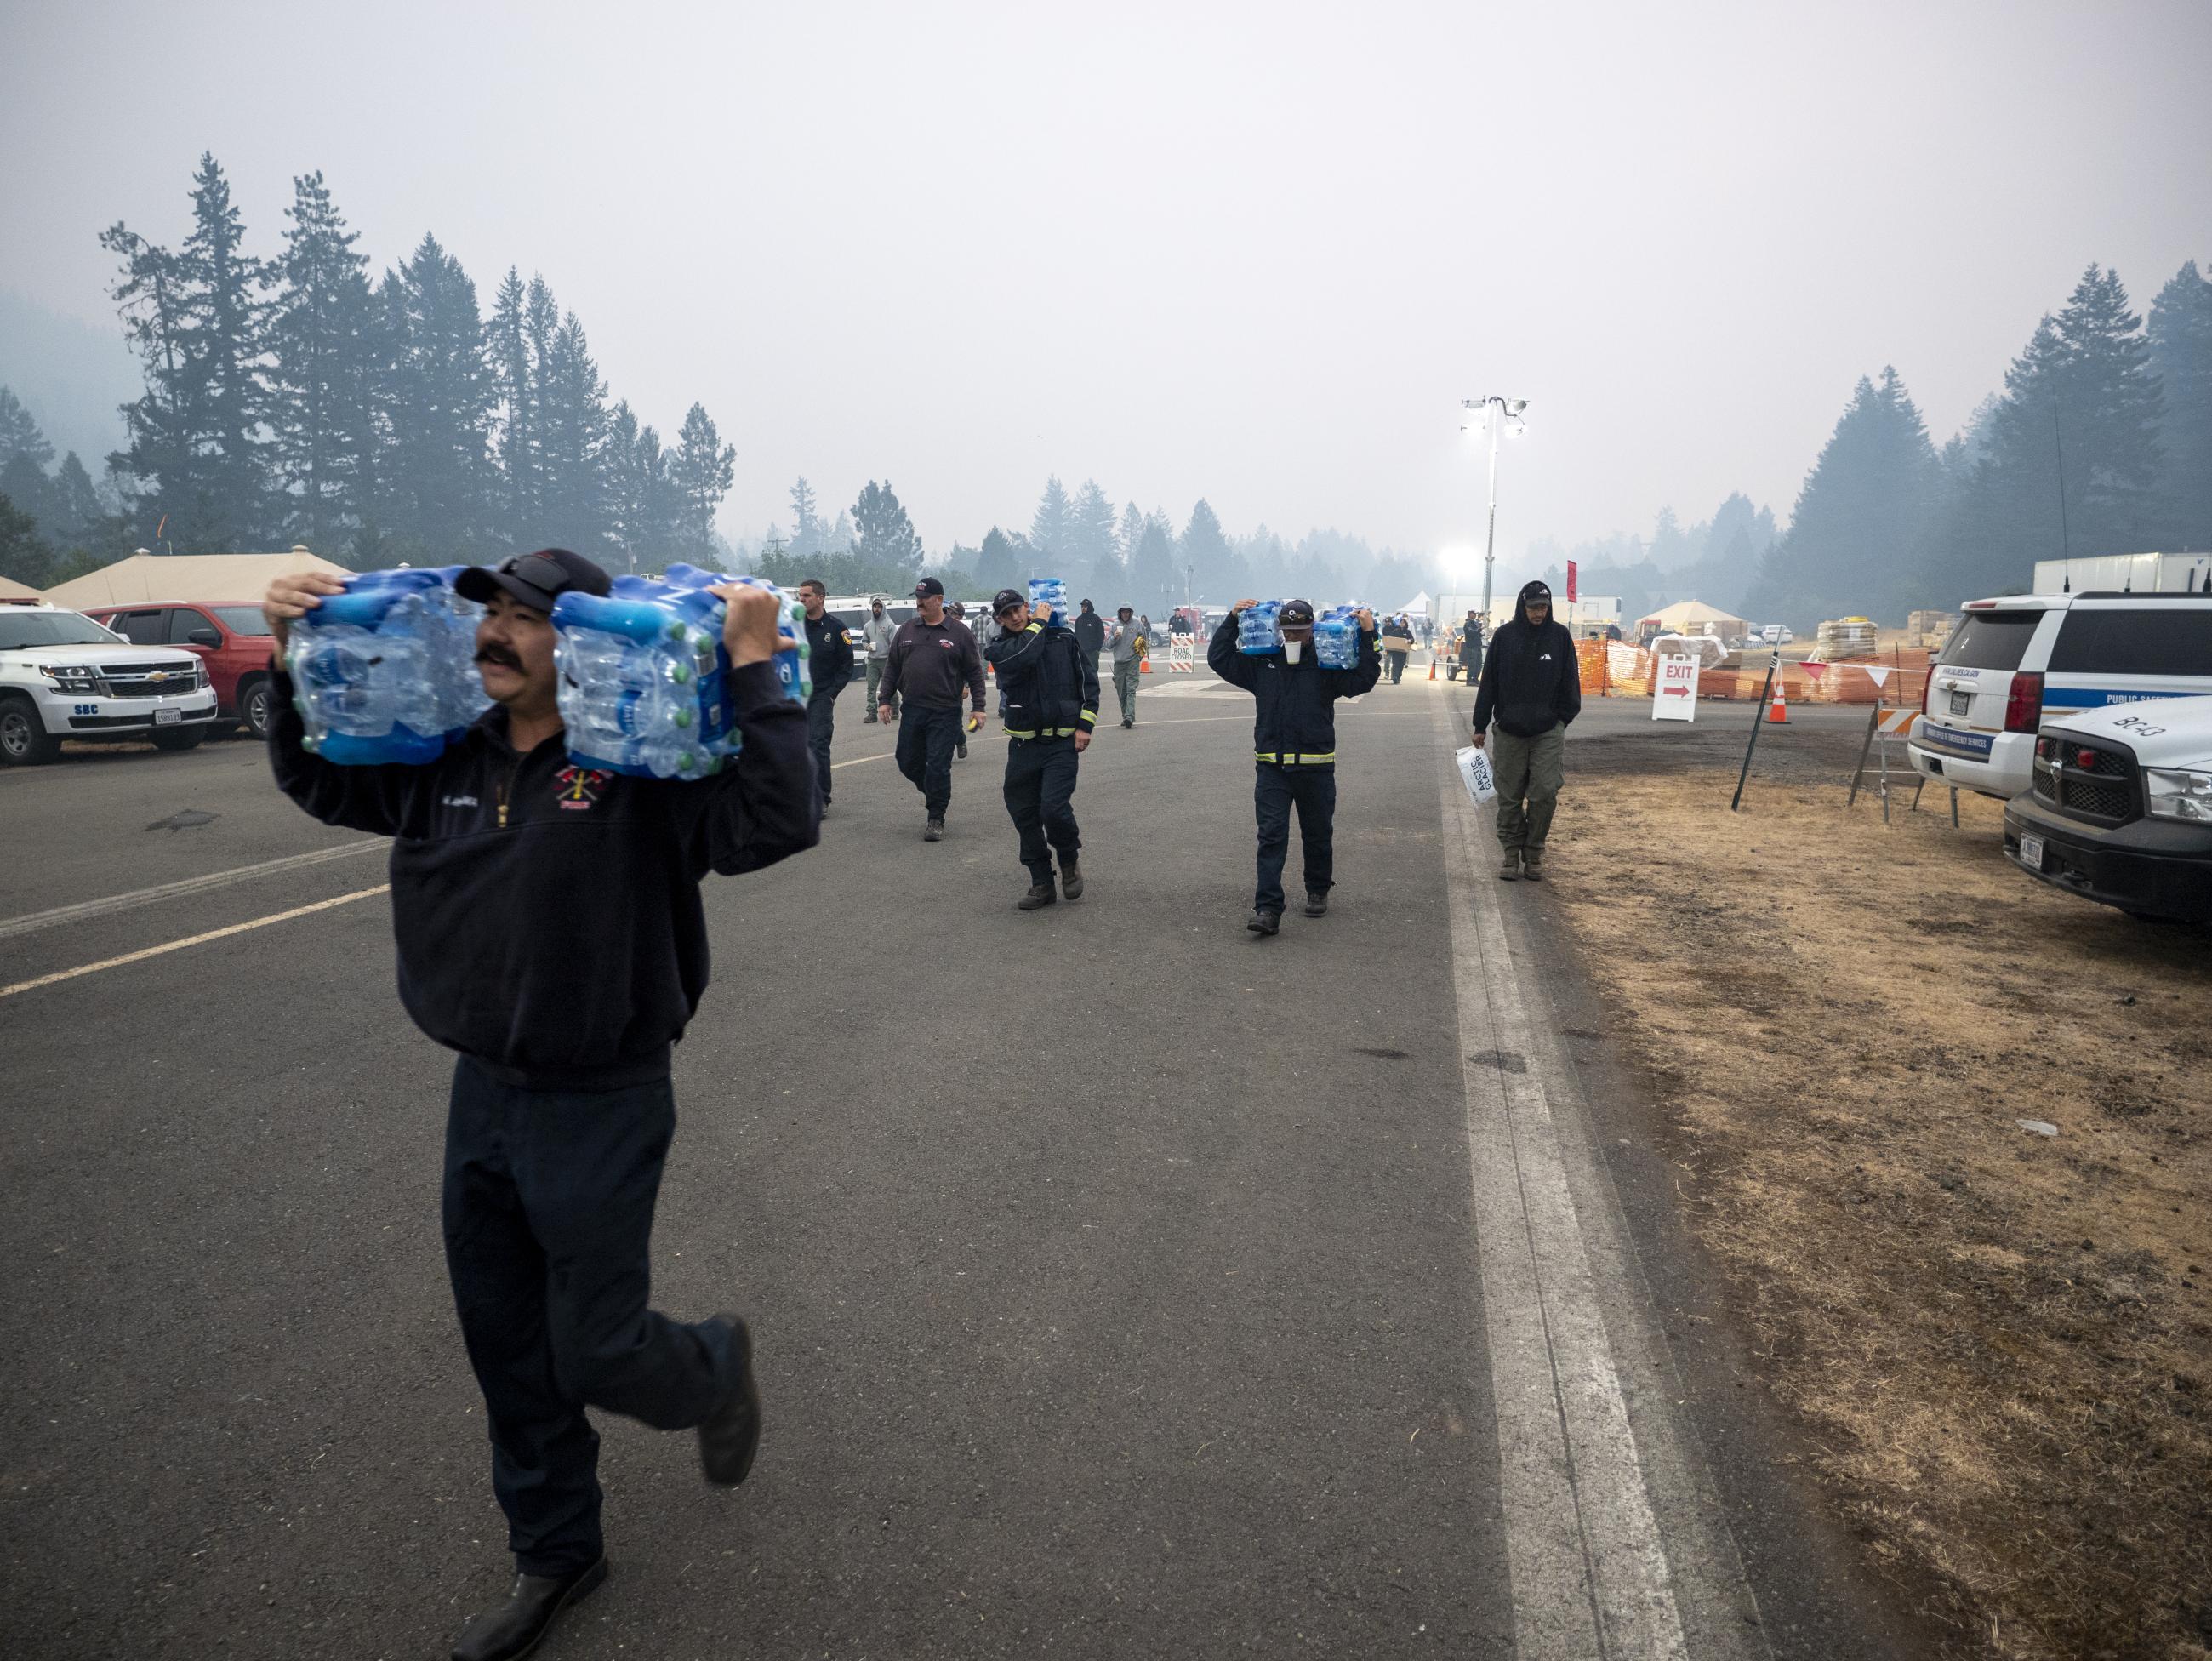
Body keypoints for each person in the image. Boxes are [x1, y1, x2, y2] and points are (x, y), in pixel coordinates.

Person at [259, 548, 817, 1661]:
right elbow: (323, 778)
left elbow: (773, 823)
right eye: (491, 616)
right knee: (506, 1342)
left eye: (527, 618)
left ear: (588, 644)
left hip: (602, 1094)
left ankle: (712, 1369)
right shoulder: (442, 754)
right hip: (484, 1092)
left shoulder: (638, 760)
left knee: (597, 1347)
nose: (497, 634)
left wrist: (757, 673)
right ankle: (558, 1549)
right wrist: (286, 661)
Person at [1209, 597, 1378, 935]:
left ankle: (1318, 888)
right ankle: (1268, 908)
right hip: (1273, 767)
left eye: (1300, 631)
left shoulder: (1327, 663)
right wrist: (1232, 619)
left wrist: (1368, 635)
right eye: (1288, 631)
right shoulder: (1263, 662)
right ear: (1278, 629)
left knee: (1317, 833)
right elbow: (1220, 658)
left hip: (1316, 767)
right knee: (1271, 836)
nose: (1293, 638)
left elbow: (1363, 679)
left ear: (1312, 628)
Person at [983, 586, 1099, 909]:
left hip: (1061, 742)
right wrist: (1039, 624)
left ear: (1028, 607)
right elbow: (1025, 654)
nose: (1015, 617)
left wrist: (1085, 724)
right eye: (1007, 614)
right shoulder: (1000, 648)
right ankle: (1041, 882)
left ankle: (1068, 860)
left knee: (1053, 808)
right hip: (1023, 745)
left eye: (1018, 609)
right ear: (1000, 620)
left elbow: (1088, 682)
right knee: (1023, 812)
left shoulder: (1063, 639)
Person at [1471, 579, 1582, 882]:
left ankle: (1534, 852)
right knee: (1509, 796)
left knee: (1545, 793)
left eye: (1544, 607)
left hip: (1547, 731)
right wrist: (1480, 725)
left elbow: (1571, 682)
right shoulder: (1505, 637)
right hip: (1509, 731)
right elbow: (1489, 684)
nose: (1539, 613)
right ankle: (1510, 853)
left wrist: (1561, 721)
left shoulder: (1559, 637)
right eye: (1534, 607)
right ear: (1523, 606)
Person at [876, 576, 986, 840]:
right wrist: (884, 700)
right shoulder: (907, 630)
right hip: (913, 709)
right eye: (917, 598)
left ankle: (936, 816)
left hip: (945, 711)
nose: (919, 603)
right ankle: (936, 792)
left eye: (924, 599)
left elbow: (975, 671)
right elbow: (892, 667)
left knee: (938, 765)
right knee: (906, 761)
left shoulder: (959, 633)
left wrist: (978, 707)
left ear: (939, 600)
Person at [798, 579, 855, 811]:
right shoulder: (793, 626)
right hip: (795, 696)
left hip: (821, 695)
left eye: (806, 596)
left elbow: (846, 666)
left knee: (818, 744)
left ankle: (821, 798)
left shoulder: (836, 628)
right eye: (800, 596)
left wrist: (832, 693)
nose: (802, 600)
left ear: (820, 598)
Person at [1106, 604, 1145, 728]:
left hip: (1132, 661)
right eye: (1123, 612)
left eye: (1128, 612)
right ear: (1120, 613)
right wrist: (1114, 638)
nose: (1125, 614)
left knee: (1131, 690)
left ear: (1131, 613)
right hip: (1119, 663)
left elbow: (1144, 641)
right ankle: (1125, 716)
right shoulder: (1114, 625)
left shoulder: (1138, 624)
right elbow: (1107, 645)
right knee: (1121, 691)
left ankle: (1129, 716)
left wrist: (1139, 657)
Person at [861, 596, 898, 721]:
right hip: (872, 660)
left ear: (883, 609)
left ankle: (895, 709)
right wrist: (866, 646)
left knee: (890, 686)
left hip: (887, 660)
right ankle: (872, 713)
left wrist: (892, 658)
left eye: (879, 607)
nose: (876, 609)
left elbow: (894, 643)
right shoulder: (868, 625)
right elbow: (864, 640)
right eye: (875, 607)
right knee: (871, 687)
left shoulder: (889, 624)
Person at [1071, 597, 1106, 671]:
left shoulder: (1096, 619)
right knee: (1082, 672)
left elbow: (1101, 635)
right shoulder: (1079, 620)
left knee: (1092, 673)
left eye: (1085, 606)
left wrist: (1097, 649)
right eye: (1082, 606)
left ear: (1089, 607)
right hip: (1081, 652)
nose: (1083, 608)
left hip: (1092, 653)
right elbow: (1076, 635)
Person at [1380, 614, 1413, 684]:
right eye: (1401, 623)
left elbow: (1412, 639)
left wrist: (1409, 640)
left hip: (1403, 652)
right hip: (1396, 651)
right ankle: (1394, 677)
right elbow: (1390, 638)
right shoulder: (1396, 630)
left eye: (1403, 623)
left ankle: (1398, 677)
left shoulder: (1407, 632)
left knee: (1401, 665)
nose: (1402, 624)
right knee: (1395, 664)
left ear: (1405, 624)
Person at [1457, 609, 1485, 684]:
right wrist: (1479, 630)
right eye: (1473, 614)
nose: (1475, 615)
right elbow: (1470, 633)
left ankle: (1475, 679)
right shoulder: (1467, 624)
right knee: (1472, 663)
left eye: (1475, 614)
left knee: (1479, 663)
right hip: (1472, 647)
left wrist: (1481, 634)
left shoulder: (1474, 623)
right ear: (1470, 614)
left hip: (1477, 646)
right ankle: (1469, 680)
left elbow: (1476, 634)